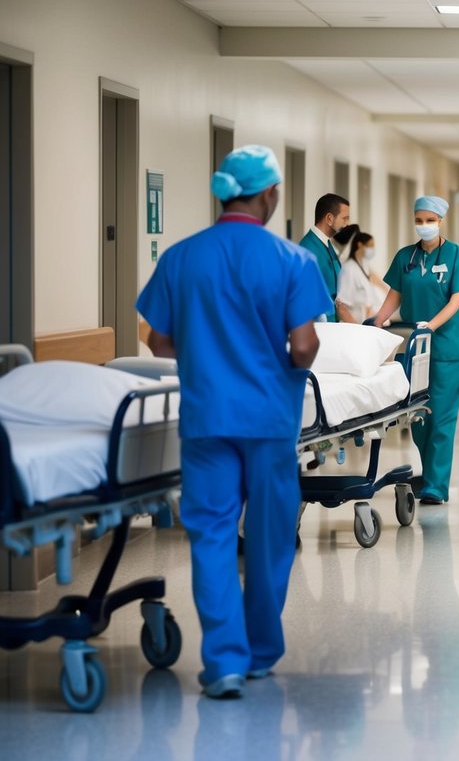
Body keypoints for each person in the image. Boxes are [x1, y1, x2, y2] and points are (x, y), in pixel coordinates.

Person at [136, 146, 331, 699]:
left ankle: (222, 660)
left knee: (213, 536)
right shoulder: (293, 260)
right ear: (269, 194)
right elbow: (303, 347)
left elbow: (157, 339)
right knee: (270, 538)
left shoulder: (182, 257)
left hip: (206, 420)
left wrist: (209, 352)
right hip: (269, 421)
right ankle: (261, 652)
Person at [371, 196, 459, 505]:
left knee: (442, 417)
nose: (424, 225)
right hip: (413, 348)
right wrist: (378, 320)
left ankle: (436, 485)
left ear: (441, 221)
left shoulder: (456, 255)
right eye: (419, 219)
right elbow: (395, 295)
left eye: (430, 220)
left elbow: (457, 300)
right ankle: (429, 472)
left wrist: (431, 326)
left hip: (447, 347)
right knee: (418, 417)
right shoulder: (406, 256)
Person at [299, 193, 355, 323]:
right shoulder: (308, 249)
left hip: (333, 325)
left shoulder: (327, 245)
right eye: (344, 218)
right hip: (320, 329)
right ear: (329, 218)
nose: (347, 224)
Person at [337, 230, 388, 324]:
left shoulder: (363, 267)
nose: (372, 249)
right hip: (353, 328)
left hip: (365, 326)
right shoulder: (348, 269)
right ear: (360, 245)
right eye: (370, 245)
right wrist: (358, 329)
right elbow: (342, 307)